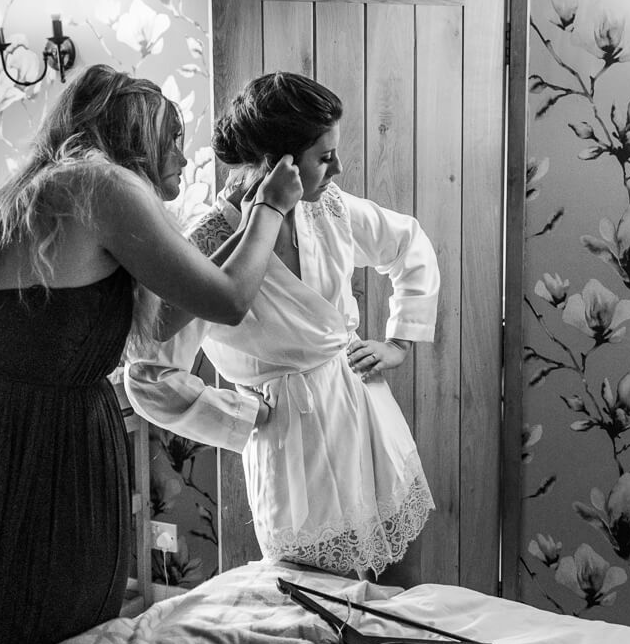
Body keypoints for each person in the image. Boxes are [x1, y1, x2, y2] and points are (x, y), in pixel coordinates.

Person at [0, 63, 302, 644]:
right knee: (65, 639)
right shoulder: (102, 184)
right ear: (136, 134)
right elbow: (230, 300)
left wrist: (244, 228)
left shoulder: (52, 189)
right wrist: (271, 208)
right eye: (173, 139)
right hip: (52, 452)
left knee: (38, 635)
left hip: (21, 445)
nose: (185, 160)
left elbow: (163, 321)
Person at [125, 71, 441, 580]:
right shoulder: (207, 241)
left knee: (401, 598)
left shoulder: (328, 210)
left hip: (364, 414)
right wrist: (241, 416)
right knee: (316, 610)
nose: (338, 167)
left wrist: (399, 341)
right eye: (324, 156)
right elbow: (146, 375)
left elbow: (409, 244)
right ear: (280, 166)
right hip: (291, 447)